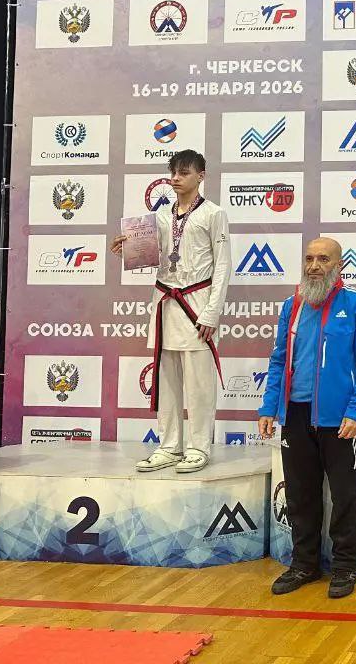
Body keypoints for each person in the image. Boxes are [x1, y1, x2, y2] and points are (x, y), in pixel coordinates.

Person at [259, 237, 356, 599]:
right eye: (309, 258)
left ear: (339, 265)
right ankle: (304, 564)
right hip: (295, 414)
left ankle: (344, 567)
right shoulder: (292, 305)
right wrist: (269, 407)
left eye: (323, 259)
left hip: (339, 417)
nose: (314, 266)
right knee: (300, 494)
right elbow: (279, 359)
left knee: (344, 495)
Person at [110, 150, 230, 473]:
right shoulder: (160, 217)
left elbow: (223, 266)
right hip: (165, 303)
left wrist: (212, 313)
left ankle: (199, 446)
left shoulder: (214, 214)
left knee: (200, 384)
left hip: (197, 303)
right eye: (173, 172)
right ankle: (169, 446)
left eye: (184, 173)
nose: (175, 178)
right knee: (166, 381)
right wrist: (127, 249)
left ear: (201, 176)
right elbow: (150, 255)